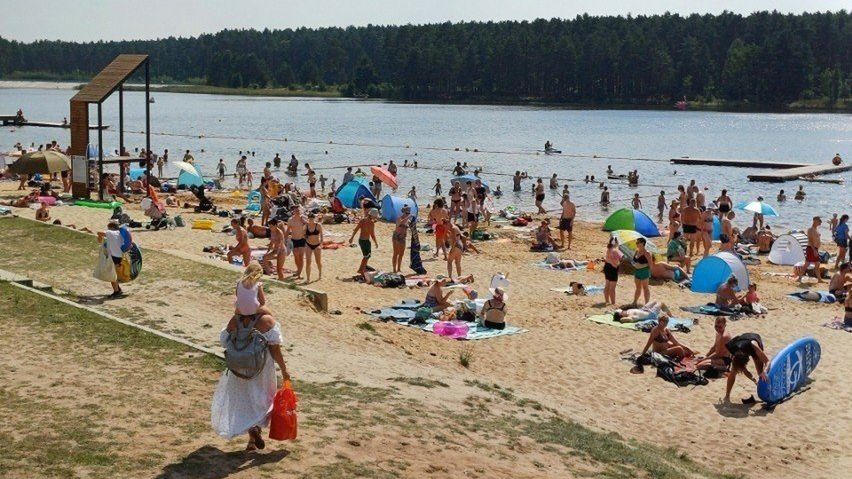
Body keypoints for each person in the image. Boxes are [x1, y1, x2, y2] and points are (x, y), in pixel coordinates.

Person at [211, 305, 290, 451]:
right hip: (261, 368)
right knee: (263, 399)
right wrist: (284, 370)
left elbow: (224, 340)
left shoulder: (235, 321)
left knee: (245, 399)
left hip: (239, 367)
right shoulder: (266, 322)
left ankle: (252, 437)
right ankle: (256, 428)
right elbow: (275, 350)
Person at [723, 333, 769, 403]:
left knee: (760, 372)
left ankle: (767, 391)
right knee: (733, 372)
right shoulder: (733, 348)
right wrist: (753, 380)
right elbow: (744, 370)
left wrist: (764, 372)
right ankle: (727, 395)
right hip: (741, 343)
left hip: (753, 340)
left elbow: (768, 362)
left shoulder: (754, 346)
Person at [97, 220, 126, 297]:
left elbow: (99, 232)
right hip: (119, 256)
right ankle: (118, 289)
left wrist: (100, 236)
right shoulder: (120, 234)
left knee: (111, 274)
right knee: (113, 274)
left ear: (111, 228)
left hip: (113, 256)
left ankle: (117, 292)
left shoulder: (110, 233)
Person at [349, 208, 379, 279]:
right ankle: (361, 270)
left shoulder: (363, 220)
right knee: (366, 256)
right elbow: (372, 234)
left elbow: (356, 229)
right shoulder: (371, 223)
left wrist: (352, 237)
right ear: (373, 216)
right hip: (365, 241)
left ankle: (361, 269)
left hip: (361, 240)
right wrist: (376, 242)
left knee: (366, 256)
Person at [288, 205, 308, 279]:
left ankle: (299, 273)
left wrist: (304, 222)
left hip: (302, 239)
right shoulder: (290, 220)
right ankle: (298, 270)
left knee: (301, 257)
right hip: (294, 239)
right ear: (293, 212)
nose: (298, 212)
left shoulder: (303, 218)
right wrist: (284, 238)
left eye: (299, 210)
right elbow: (288, 230)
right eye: (296, 211)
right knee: (296, 257)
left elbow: (310, 225)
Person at [801, 216, 823, 283]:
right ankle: (799, 277)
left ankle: (819, 279)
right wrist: (814, 250)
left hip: (814, 248)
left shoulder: (815, 229)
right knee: (811, 264)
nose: (820, 222)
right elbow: (810, 241)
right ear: (815, 220)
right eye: (819, 220)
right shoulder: (810, 229)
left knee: (812, 264)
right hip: (811, 248)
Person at [632, 237, 653, 306]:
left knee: (645, 288)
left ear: (643, 243)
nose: (636, 244)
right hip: (637, 271)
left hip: (644, 271)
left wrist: (649, 273)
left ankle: (647, 304)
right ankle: (635, 302)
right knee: (638, 287)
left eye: (638, 242)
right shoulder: (637, 251)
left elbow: (650, 263)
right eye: (636, 242)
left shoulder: (647, 253)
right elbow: (633, 260)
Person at [303, 213, 324, 283]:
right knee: (308, 262)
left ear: (314, 218)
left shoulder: (318, 225)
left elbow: (321, 236)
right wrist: (305, 236)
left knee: (318, 261)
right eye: (309, 219)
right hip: (308, 244)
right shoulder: (306, 226)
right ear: (308, 218)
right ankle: (308, 278)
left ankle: (320, 273)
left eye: (312, 219)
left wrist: (321, 244)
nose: (311, 220)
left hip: (317, 245)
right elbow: (303, 235)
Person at [391, 205, 411, 273]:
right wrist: (407, 217)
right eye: (406, 213)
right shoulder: (399, 218)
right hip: (397, 236)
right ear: (404, 212)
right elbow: (400, 223)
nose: (408, 214)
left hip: (403, 238)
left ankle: (399, 268)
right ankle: (394, 268)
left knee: (401, 254)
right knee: (395, 253)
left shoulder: (408, 220)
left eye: (408, 213)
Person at [603, 237, 622, 306]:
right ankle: (613, 302)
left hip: (606, 267)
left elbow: (608, 259)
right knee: (612, 288)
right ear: (616, 243)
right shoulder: (616, 250)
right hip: (613, 268)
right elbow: (620, 260)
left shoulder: (608, 249)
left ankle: (607, 301)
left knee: (607, 285)